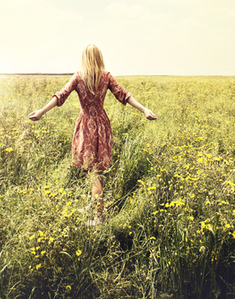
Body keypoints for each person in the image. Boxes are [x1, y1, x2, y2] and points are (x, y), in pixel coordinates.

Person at [28, 44, 157, 226]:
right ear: (99, 57)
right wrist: (144, 109)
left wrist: (41, 111)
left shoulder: (79, 76)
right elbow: (125, 95)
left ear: (85, 58)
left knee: (94, 172)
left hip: (86, 126)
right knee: (95, 170)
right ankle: (94, 205)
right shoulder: (106, 77)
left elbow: (60, 96)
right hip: (102, 125)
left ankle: (99, 217)